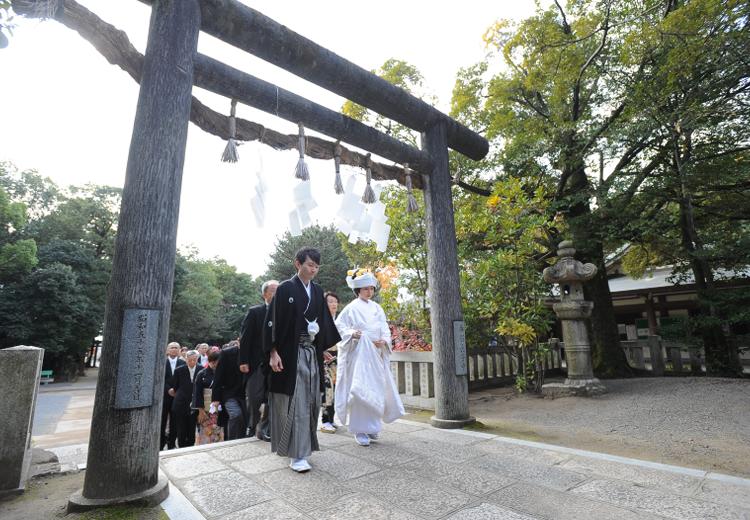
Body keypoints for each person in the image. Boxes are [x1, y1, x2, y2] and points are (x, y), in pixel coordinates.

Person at [264, 247, 340, 472]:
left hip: (310, 352)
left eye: (316, 266)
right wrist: (273, 352)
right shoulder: (286, 288)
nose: (313, 269)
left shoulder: (317, 291)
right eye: (309, 265)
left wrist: (321, 347)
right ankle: (296, 454)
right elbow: (273, 322)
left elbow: (323, 321)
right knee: (295, 402)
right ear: (298, 264)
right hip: (290, 353)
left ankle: (304, 447)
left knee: (311, 401)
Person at [334, 268, 405, 446]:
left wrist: (384, 341)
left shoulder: (377, 308)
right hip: (359, 356)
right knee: (360, 391)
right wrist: (353, 334)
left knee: (376, 389)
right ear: (358, 290)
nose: (369, 292)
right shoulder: (351, 308)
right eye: (365, 289)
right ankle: (359, 430)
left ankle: (372, 427)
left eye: (371, 288)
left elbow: (384, 328)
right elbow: (340, 328)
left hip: (376, 354)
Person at [240, 279, 279, 441]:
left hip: (276, 364)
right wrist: (243, 360)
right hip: (257, 363)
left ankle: (265, 428)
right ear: (265, 294)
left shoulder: (285, 314)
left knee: (273, 397)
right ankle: (253, 426)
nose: (277, 294)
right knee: (255, 398)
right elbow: (245, 338)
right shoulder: (255, 312)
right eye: (273, 291)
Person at [211, 342, 246, 440]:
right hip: (229, 393)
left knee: (245, 420)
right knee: (236, 414)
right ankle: (232, 441)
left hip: (246, 393)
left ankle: (241, 440)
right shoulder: (227, 353)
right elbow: (218, 376)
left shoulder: (253, 352)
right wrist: (216, 399)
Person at [169, 350, 200, 448]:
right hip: (181, 402)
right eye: (189, 360)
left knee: (192, 427)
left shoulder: (201, 369)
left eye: (194, 360)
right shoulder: (179, 370)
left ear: (197, 359)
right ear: (186, 359)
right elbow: (175, 387)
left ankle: (191, 446)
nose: (192, 362)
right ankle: (181, 446)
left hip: (195, 403)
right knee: (181, 427)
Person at [320, 291, 340, 434]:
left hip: (339, 359)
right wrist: (321, 351)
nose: (333, 304)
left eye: (335, 301)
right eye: (330, 301)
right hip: (324, 359)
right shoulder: (320, 321)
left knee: (336, 390)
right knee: (327, 390)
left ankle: (331, 419)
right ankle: (325, 421)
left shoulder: (340, 320)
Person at [193, 350, 223, 445]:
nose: (215, 364)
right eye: (214, 362)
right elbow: (197, 393)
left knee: (218, 430)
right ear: (211, 361)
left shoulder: (222, 373)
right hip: (205, 409)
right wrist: (200, 411)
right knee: (205, 432)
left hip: (219, 407)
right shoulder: (201, 374)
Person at [161, 342, 186, 450]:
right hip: (164, 396)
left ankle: (171, 443)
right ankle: (160, 443)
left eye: (176, 348)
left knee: (175, 421)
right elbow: (160, 378)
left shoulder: (182, 363)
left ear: (179, 350)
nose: (174, 349)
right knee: (162, 420)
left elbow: (184, 380)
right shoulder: (161, 362)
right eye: (172, 347)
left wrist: (176, 390)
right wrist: (168, 389)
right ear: (167, 350)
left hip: (177, 396)